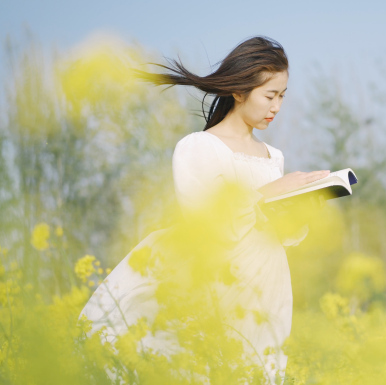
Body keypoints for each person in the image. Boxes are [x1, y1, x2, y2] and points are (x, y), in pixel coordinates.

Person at [79, 36, 329, 384]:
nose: (277, 107)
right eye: (270, 96)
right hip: (217, 282)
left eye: (282, 96)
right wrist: (272, 191)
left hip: (266, 284)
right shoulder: (198, 147)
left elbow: (274, 229)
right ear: (239, 91)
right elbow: (206, 222)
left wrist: (302, 206)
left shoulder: (274, 157)